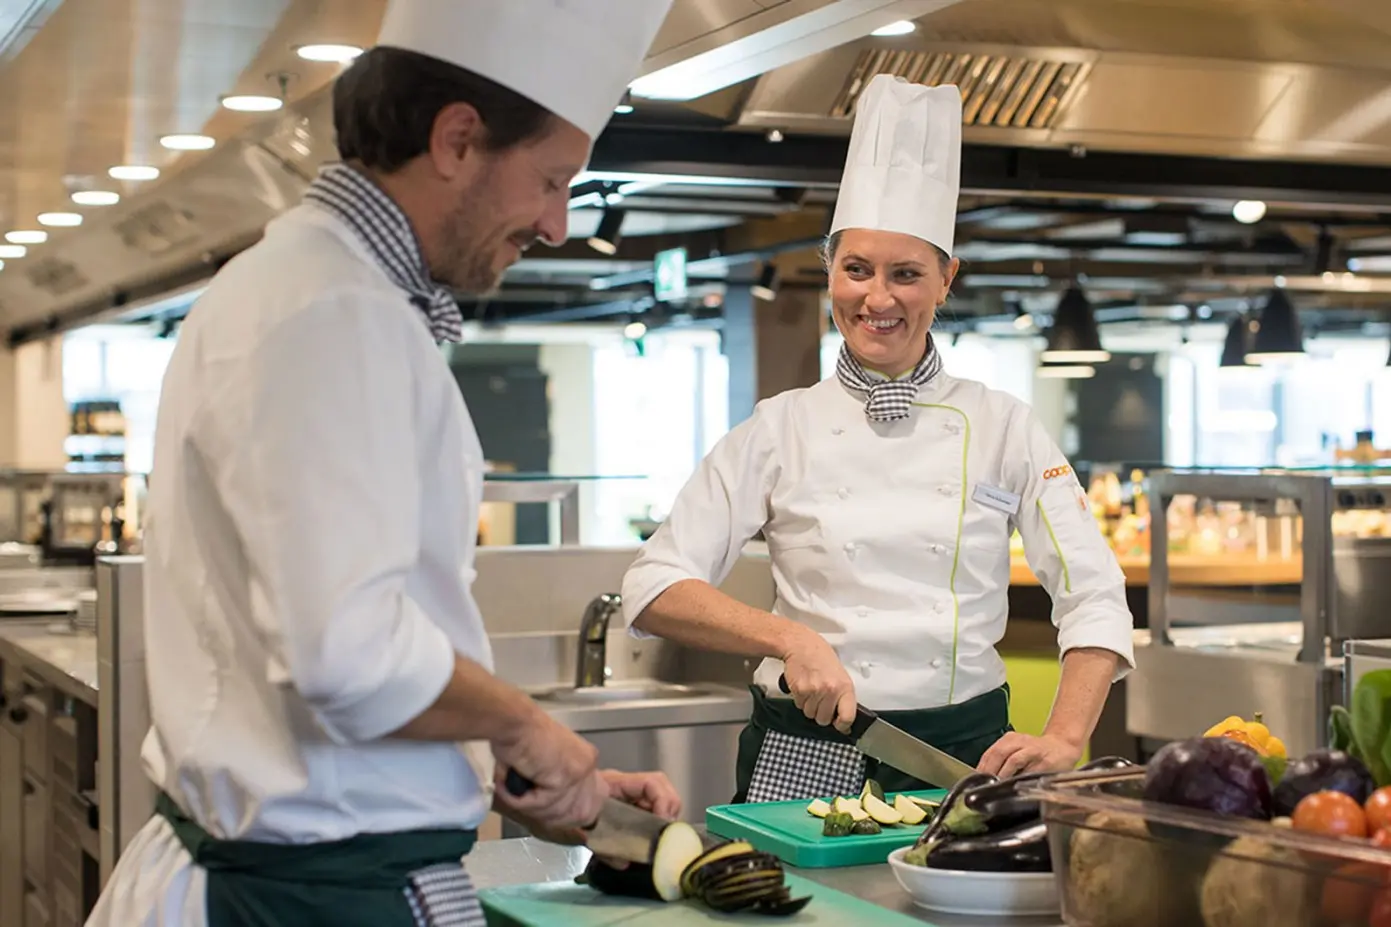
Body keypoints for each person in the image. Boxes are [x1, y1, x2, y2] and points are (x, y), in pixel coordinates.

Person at [85, 2, 676, 925]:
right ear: (456, 139)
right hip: (303, 899)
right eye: (553, 179)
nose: (558, 224)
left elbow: (323, 665)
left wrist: (516, 773)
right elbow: (346, 654)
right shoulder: (333, 314)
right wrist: (526, 725)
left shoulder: (305, 286)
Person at [620, 74, 1135, 805]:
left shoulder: (1003, 424)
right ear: (829, 270)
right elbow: (652, 585)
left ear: (945, 278)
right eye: (856, 269)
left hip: (962, 751)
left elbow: (1092, 592)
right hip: (804, 746)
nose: (877, 297)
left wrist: (1064, 735)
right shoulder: (779, 426)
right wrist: (789, 639)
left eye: (905, 274)